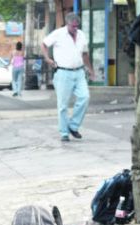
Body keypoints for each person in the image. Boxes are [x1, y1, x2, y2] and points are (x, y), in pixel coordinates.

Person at [41, 12, 98, 142]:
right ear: (67, 24)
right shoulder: (58, 34)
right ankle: (64, 133)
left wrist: (91, 70)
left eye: (77, 26)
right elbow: (44, 44)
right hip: (63, 73)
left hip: (79, 72)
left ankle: (73, 126)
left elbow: (85, 55)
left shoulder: (82, 35)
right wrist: (47, 58)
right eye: (73, 26)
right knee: (63, 105)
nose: (75, 29)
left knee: (85, 97)